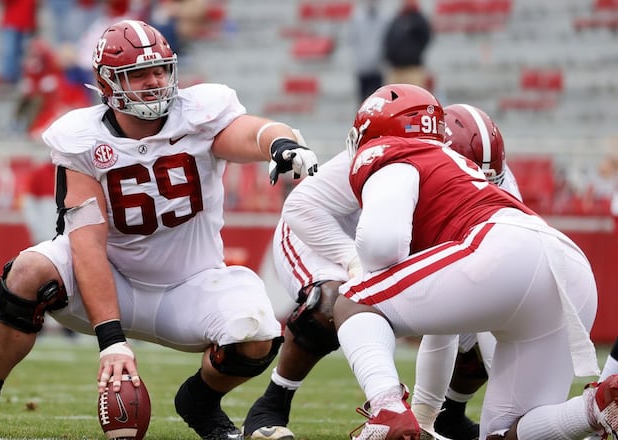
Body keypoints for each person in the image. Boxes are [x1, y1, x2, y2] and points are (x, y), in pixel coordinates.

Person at [0, 19, 319, 440]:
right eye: (139, 73)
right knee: (28, 271)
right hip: (112, 280)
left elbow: (254, 132)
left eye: (161, 69)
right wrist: (111, 340)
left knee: (258, 332)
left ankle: (199, 403)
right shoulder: (82, 138)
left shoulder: (198, 114)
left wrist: (280, 143)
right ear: (107, 83)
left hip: (190, 285)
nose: (155, 81)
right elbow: (87, 244)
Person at [334, 83, 616, 440]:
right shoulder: (458, 169)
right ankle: (597, 407)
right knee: (501, 432)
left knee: (353, 300)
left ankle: (386, 407)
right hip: (567, 264)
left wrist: (368, 273)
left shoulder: (392, 152)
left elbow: (381, 245)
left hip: (502, 249)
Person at [241, 103, 518, 440]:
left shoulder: (496, 178)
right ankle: (272, 404)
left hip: (395, 241)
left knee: (483, 310)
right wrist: (352, 262)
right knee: (333, 302)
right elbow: (302, 208)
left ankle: (447, 416)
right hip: (322, 232)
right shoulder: (389, 155)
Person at [412, 103, 521, 440]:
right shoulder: (406, 173)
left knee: (494, 312)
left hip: (492, 268)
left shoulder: (501, 183)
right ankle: (404, 412)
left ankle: (447, 419)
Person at [384, 0, 432, 89]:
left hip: (412, 68)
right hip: (396, 68)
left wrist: (413, 53)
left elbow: (426, 37)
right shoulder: (397, 20)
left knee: (414, 93)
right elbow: (388, 39)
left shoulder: (418, 20)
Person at [348, 0, 389, 104]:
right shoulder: (357, 19)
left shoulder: (384, 19)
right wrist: (359, 58)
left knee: (379, 102)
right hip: (362, 67)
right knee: (363, 101)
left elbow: (386, 41)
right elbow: (353, 41)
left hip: (377, 68)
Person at [0, 0, 38, 86]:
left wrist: (34, 25)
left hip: (26, 24)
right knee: (9, 52)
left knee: (22, 54)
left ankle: (19, 78)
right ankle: (8, 79)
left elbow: (33, 7)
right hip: (11, 23)